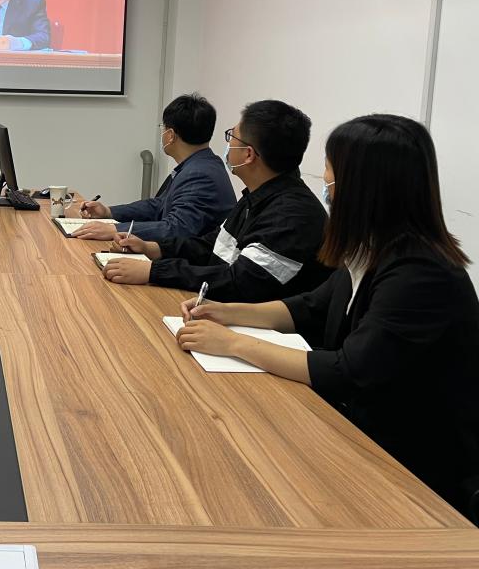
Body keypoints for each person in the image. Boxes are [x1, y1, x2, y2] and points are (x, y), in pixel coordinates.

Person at [175, 115, 479, 519]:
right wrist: (225, 313)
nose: (325, 183)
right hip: (360, 433)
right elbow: (308, 308)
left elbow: (347, 371)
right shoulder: (371, 248)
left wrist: (233, 343)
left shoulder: (420, 272)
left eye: (331, 172)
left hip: (414, 472)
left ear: (364, 186)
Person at [103, 100, 330, 301]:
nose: (228, 144)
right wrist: (152, 248)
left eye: (232, 136)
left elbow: (239, 282)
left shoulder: (292, 215)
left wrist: (154, 271)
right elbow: (211, 244)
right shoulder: (258, 195)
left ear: (248, 154)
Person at [72, 94, 235, 242]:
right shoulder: (201, 164)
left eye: (163, 128)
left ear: (170, 135)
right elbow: (159, 205)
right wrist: (109, 212)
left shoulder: (199, 174)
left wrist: (115, 230)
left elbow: (176, 228)